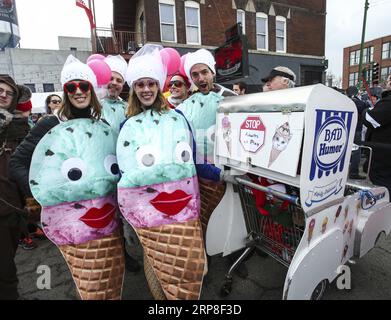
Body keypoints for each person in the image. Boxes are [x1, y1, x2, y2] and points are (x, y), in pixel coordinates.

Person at [10, 55, 125, 300]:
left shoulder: (100, 123)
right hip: (71, 218)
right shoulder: (50, 123)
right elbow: (17, 163)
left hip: (105, 214)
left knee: (109, 273)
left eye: (84, 86)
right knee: (86, 277)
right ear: (65, 91)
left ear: (92, 90)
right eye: (71, 87)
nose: (78, 91)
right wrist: (42, 195)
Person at [117, 45, 209, 299]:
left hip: (180, 201)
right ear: (134, 89)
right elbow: (125, 169)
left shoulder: (177, 118)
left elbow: (192, 158)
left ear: (158, 86)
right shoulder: (127, 125)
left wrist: (216, 175)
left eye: (151, 83)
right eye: (140, 84)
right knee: (153, 259)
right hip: (148, 205)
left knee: (184, 262)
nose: (146, 89)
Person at [0, 74, 32, 299]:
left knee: (6, 261)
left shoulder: (19, 127)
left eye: (8, 93)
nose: (3, 95)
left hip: (10, 206)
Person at [362, 81, 391, 194]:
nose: (387, 82)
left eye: (389, 80)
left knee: (383, 186)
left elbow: (371, 119)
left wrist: (366, 111)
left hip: (383, 155)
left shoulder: (389, 102)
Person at [100, 54, 128, 133]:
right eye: (111, 78)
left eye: (119, 80)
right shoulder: (94, 106)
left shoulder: (128, 108)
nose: (114, 83)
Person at [346, 85, 367, 180]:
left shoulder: (342, 102)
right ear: (357, 93)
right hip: (356, 130)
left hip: (344, 130)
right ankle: (353, 173)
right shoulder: (361, 103)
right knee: (356, 152)